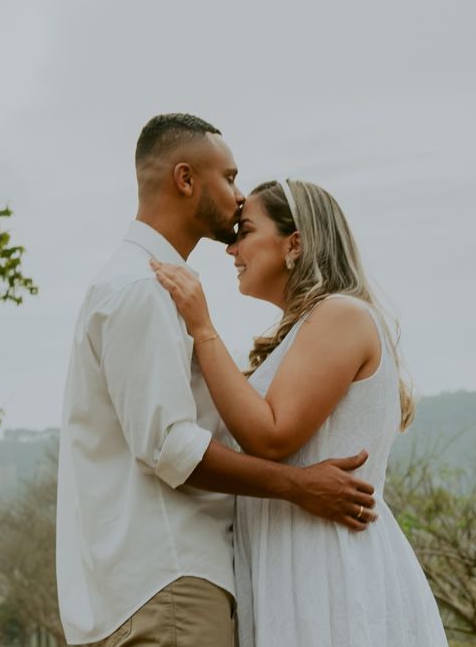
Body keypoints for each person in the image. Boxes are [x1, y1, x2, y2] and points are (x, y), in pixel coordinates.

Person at [56, 113, 378, 647]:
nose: (237, 196)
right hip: (169, 581)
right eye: (228, 177)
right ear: (185, 179)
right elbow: (168, 446)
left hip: (163, 584)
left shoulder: (150, 285)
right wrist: (298, 486)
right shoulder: (142, 287)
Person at [151, 177, 448, 645]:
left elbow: (271, 436)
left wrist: (202, 328)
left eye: (244, 232)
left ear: (295, 243)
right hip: (286, 564)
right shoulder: (303, 331)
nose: (231, 251)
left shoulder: (341, 314)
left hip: (330, 568)